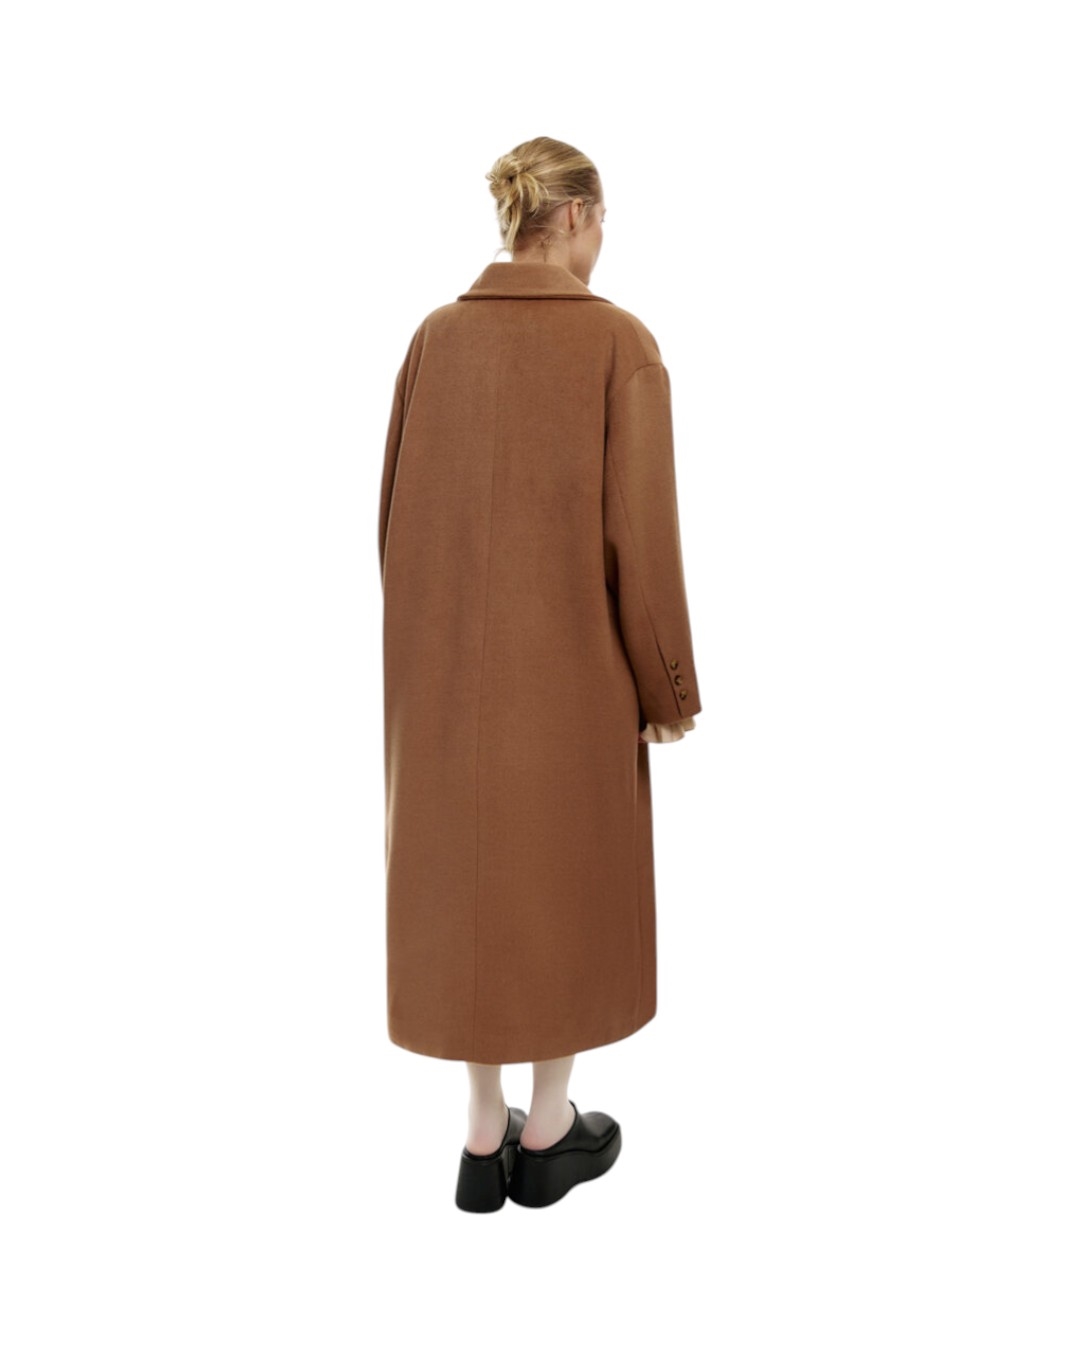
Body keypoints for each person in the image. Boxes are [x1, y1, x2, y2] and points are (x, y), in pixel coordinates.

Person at [378, 136, 703, 1211]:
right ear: (576, 217)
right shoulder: (618, 343)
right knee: (561, 884)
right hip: (572, 679)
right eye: (603, 223)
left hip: (439, 687)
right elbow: (641, 544)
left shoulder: (434, 338)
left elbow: (391, 526)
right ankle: (553, 1124)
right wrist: (667, 691)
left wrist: (426, 657)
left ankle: (483, 1136)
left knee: (474, 889)